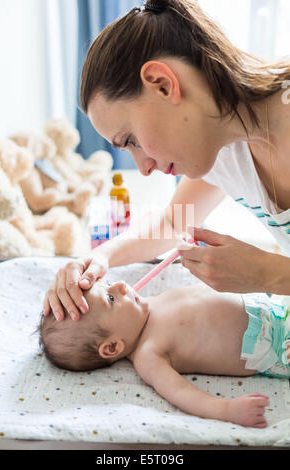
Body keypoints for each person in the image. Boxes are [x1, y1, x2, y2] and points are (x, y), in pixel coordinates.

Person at [43, 0, 290, 322]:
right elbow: (173, 224)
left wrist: (269, 273)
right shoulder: (223, 146)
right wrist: (98, 258)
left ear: (162, 84)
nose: (144, 168)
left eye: (129, 140)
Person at [39, 278, 290, 428]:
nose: (121, 285)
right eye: (111, 298)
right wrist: (227, 410)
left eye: (109, 284)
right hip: (279, 346)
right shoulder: (148, 355)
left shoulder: (144, 307)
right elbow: (182, 394)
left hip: (276, 305)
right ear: (113, 347)